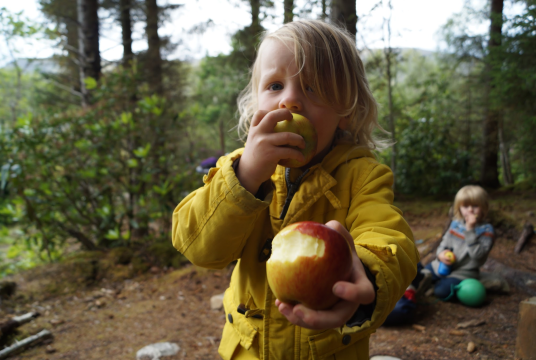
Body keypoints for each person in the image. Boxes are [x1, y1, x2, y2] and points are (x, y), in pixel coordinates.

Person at [172, 20, 418, 360]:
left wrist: (365, 276)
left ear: (345, 111)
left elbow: (391, 239)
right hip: (249, 350)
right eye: (275, 86)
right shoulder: (237, 170)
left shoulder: (363, 177)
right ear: (255, 102)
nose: (290, 100)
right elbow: (199, 247)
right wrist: (244, 179)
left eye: (313, 88)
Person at [384, 185, 494, 325]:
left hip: (463, 272)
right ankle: (414, 289)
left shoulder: (487, 230)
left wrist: (470, 230)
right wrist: (441, 254)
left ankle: (441, 285)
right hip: (443, 265)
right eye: (465, 206)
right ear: (459, 208)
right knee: (423, 272)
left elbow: (478, 256)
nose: (470, 210)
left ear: (484, 208)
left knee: (441, 291)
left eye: (475, 206)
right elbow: (444, 243)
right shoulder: (456, 224)